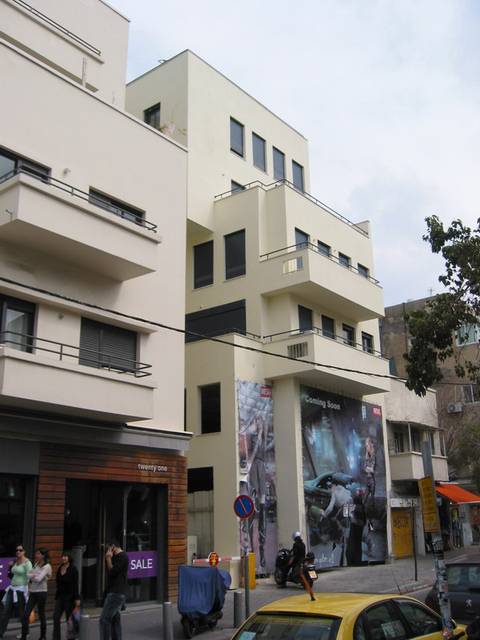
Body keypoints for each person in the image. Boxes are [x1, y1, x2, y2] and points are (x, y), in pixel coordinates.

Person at [0, 544, 32, 639]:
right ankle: (1, 633)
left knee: (22, 613)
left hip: (21, 589)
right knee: (5, 611)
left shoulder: (27, 563)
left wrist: (29, 590)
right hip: (12, 588)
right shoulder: (15, 561)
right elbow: (11, 574)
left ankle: (25, 633)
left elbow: (30, 577)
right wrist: (10, 567)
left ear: (24, 551)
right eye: (17, 550)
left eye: (20, 550)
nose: (18, 551)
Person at [99, 541, 129, 640]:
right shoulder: (116, 557)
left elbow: (112, 572)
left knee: (104, 619)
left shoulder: (122, 556)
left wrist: (108, 558)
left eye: (108, 548)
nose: (107, 551)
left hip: (116, 593)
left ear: (113, 547)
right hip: (114, 592)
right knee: (115, 619)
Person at [22, 548, 52, 640]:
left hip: (41, 592)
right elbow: (27, 574)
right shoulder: (35, 564)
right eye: (36, 553)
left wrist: (33, 576)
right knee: (26, 614)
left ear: (43, 555)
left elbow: (39, 579)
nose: (36, 555)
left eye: (38, 554)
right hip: (33, 592)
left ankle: (43, 636)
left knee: (41, 614)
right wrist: (34, 575)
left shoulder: (47, 566)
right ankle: (24, 636)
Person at [53, 553, 80, 640]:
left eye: (65, 556)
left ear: (69, 558)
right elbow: (58, 582)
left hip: (70, 597)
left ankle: (71, 637)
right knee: (56, 617)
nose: (63, 558)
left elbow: (76, 584)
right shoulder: (60, 568)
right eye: (62, 556)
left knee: (69, 619)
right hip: (60, 596)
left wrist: (77, 598)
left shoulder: (73, 569)